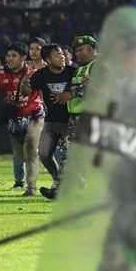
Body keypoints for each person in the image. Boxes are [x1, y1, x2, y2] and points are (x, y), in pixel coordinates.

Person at [0, 42, 45, 196]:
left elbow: (44, 91)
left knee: (30, 150)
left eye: (13, 55)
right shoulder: (1, 75)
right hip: (14, 119)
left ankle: (31, 187)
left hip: (35, 115)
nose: (9, 58)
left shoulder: (34, 73)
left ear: (23, 58)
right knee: (21, 156)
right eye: (8, 55)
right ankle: (41, 162)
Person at [46, 35, 99, 199]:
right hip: (76, 117)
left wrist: (71, 94)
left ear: (90, 49)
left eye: (80, 50)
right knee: (69, 153)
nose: (77, 53)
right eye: (76, 50)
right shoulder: (80, 68)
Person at [22, 44, 74, 197]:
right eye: (57, 55)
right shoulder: (41, 75)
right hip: (51, 120)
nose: (62, 56)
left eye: (62, 53)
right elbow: (27, 93)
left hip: (71, 121)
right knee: (44, 154)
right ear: (48, 60)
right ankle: (59, 180)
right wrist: (25, 84)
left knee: (68, 156)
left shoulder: (72, 71)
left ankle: (62, 186)